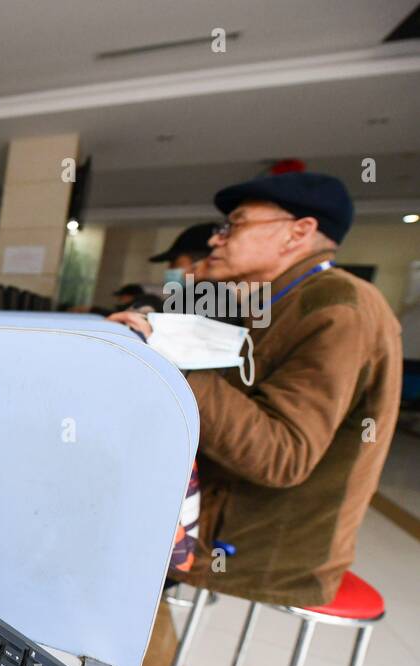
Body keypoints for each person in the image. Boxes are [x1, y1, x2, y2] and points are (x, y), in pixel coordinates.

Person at [110, 172, 402, 608]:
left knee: (104, 538)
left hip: (266, 544)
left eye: (235, 225)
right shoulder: (284, 299)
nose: (216, 240)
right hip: (236, 513)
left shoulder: (336, 308)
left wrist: (172, 363)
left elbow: (283, 456)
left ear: (298, 232)